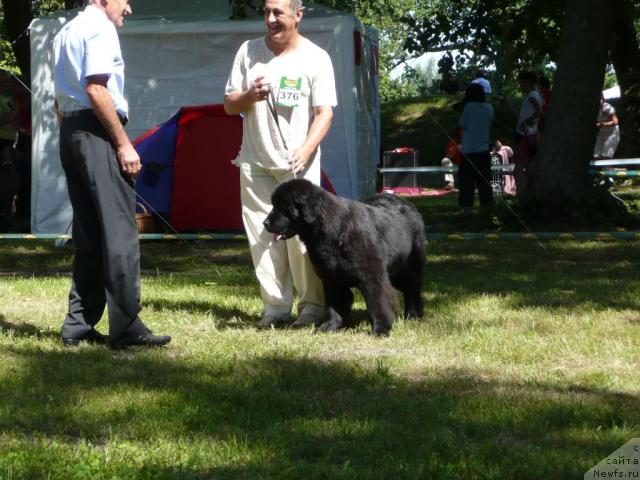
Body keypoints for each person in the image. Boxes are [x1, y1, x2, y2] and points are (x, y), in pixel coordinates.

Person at [53, 0, 171, 348]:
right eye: (125, 0)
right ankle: (126, 326)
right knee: (120, 231)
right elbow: (96, 88)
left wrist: (74, 135)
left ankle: (78, 324)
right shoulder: (100, 28)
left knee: (88, 231)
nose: (129, 8)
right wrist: (122, 144)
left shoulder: (66, 30)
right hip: (96, 131)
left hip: (71, 132)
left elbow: (59, 99)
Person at [224, 0, 337, 328]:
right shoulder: (248, 51)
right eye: (266, 12)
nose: (270, 19)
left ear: (298, 15)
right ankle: (275, 311)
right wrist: (249, 96)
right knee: (262, 240)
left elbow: (325, 112)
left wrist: (306, 149)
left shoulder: (317, 57)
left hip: (297, 169)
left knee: (304, 242)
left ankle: (312, 308)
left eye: (279, 13)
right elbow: (230, 105)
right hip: (255, 163)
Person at [457, 82, 494, 214]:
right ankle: (487, 208)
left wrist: (461, 144)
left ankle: (467, 210)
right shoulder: (490, 108)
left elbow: (462, 127)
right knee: (485, 181)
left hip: (468, 151)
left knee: (467, 182)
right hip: (484, 150)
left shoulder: (468, 107)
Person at [512, 69, 542, 194]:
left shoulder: (533, 96)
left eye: (522, 83)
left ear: (529, 82)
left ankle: (522, 194)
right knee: (529, 167)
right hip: (528, 135)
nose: (520, 86)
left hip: (527, 135)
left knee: (518, 168)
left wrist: (527, 122)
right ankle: (529, 193)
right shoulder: (533, 95)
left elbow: (539, 112)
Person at [0, 72, 18, 232]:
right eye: (3, 81)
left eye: (7, 81)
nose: (6, 84)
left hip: (12, 141)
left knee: (9, 178)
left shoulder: (10, 98)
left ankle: (7, 213)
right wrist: (11, 117)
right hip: (2, 140)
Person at [593, 94, 620, 159]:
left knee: (605, 156)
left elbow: (615, 121)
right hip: (601, 133)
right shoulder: (594, 109)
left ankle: (607, 168)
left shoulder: (608, 107)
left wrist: (603, 124)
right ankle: (599, 169)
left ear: (603, 99)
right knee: (596, 155)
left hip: (612, 133)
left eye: (600, 99)